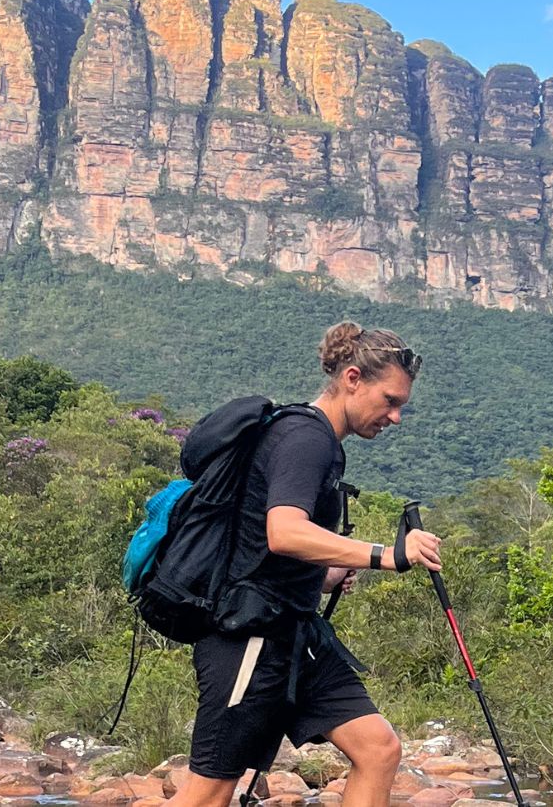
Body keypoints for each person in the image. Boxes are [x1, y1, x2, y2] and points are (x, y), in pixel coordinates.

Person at [169, 321, 441, 807]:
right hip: (248, 639)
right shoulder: (305, 438)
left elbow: (269, 548)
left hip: (295, 635)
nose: (395, 417)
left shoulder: (321, 444)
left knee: (378, 749)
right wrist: (389, 555)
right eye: (390, 401)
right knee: (207, 795)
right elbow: (285, 532)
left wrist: (325, 573)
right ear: (353, 378)